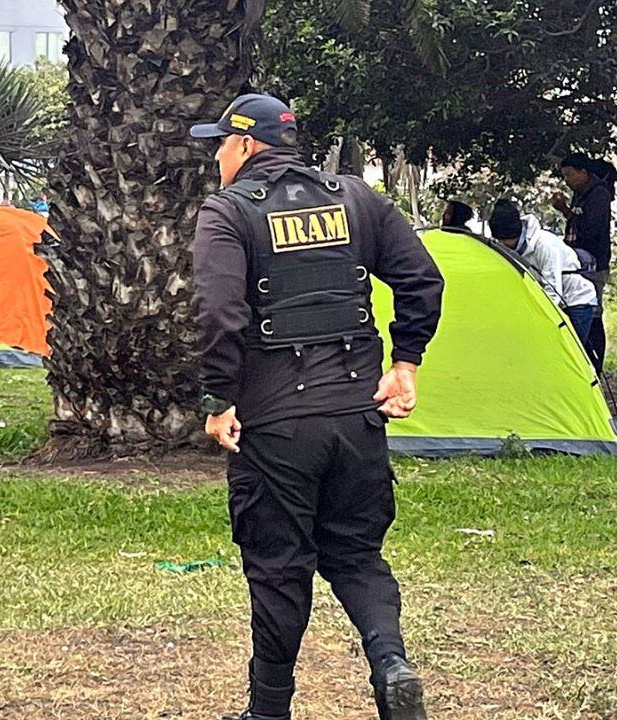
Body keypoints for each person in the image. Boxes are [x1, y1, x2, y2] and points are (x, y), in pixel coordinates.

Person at [190, 94, 444, 720]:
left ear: (245, 145)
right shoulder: (357, 199)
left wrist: (220, 398)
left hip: (276, 427)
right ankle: (391, 664)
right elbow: (421, 278)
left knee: (278, 568)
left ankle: (269, 711)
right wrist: (404, 363)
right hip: (359, 416)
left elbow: (219, 313)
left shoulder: (227, 213)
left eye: (219, 143)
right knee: (357, 555)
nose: (217, 156)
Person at [489, 199, 598, 348]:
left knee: (569, 349)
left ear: (517, 231)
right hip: (554, 301)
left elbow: (553, 291)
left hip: (576, 301)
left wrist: (536, 318)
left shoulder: (544, 245)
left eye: (506, 240)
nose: (504, 244)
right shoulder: (508, 248)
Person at [553, 153, 613, 371]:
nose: (567, 180)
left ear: (583, 173)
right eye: (564, 176)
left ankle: (595, 363)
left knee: (592, 311)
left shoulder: (598, 194)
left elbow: (590, 229)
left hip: (592, 262)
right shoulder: (580, 193)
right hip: (577, 260)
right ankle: (583, 358)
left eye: (570, 175)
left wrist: (565, 211)